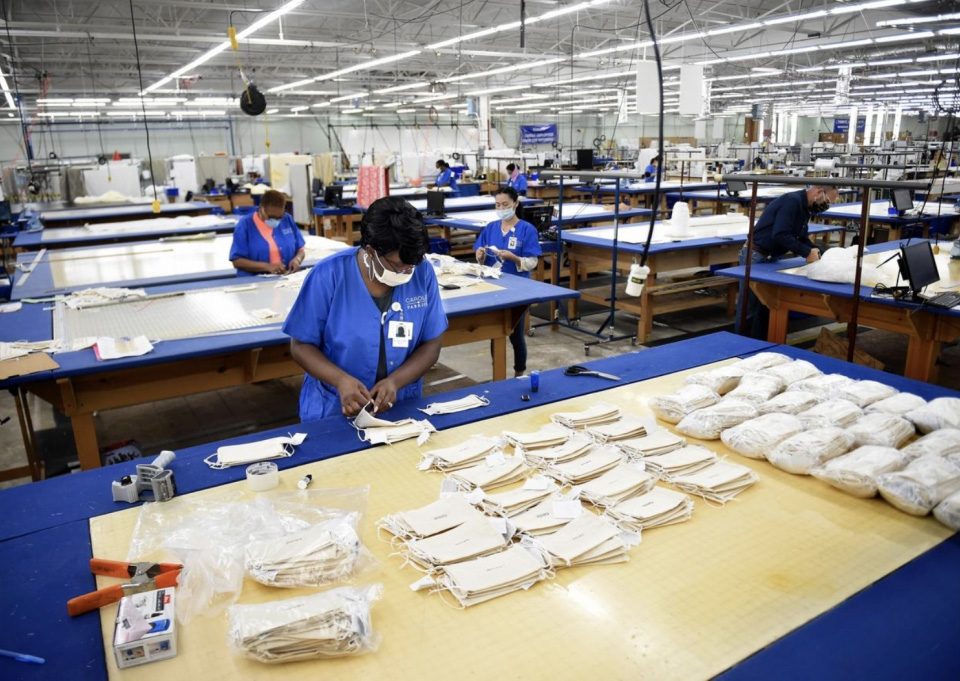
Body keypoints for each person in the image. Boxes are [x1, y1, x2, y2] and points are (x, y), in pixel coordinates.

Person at [284, 196, 448, 420]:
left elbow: (432, 343)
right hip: (333, 407)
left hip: (401, 405)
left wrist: (395, 382)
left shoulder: (422, 272)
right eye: (399, 266)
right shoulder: (329, 275)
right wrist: (340, 380)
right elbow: (301, 345)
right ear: (371, 251)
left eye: (413, 264)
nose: (407, 272)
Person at [735, 185, 840, 339]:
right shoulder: (792, 202)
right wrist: (805, 252)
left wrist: (818, 252)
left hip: (770, 257)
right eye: (827, 200)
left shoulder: (805, 207)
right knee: (749, 306)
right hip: (756, 256)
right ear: (818, 192)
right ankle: (740, 343)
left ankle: (758, 343)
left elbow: (800, 236)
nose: (826, 205)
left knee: (765, 303)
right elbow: (781, 234)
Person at [474, 187, 542, 377]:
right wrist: (479, 256)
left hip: (517, 290)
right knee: (495, 333)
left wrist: (514, 258)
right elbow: (481, 256)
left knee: (515, 334)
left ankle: (519, 373)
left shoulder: (527, 230)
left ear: (515, 203)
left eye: (505, 204)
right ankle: (498, 371)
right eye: (497, 205)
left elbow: (532, 262)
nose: (501, 208)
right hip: (493, 288)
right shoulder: (490, 228)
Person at [229, 189, 305, 276]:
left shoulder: (287, 219)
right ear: (261, 208)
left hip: (285, 278)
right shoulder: (245, 225)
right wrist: (267, 266)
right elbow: (237, 261)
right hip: (254, 281)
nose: (276, 220)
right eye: (271, 217)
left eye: (279, 217)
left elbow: (300, 249)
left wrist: (297, 260)